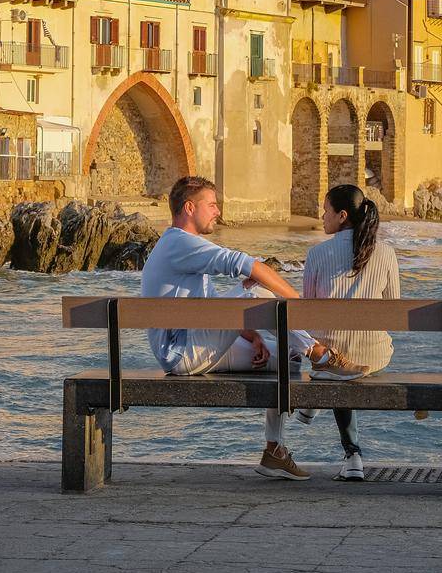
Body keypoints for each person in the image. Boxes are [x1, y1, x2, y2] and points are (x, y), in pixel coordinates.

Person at [141, 175, 359, 481]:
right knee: (255, 292)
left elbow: (215, 306)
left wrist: (254, 336)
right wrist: (299, 304)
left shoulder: (183, 246)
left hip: (196, 345)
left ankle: (274, 450)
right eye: (212, 204)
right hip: (183, 352)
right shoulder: (180, 242)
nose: (217, 211)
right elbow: (249, 266)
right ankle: (319, 353)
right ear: (190, 208)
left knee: (289, 359)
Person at [298, 183, 400, 481]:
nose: (322, 216)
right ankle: (321, 406)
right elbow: (393, 310)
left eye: (326, 210)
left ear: (342, 215)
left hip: (328, 358)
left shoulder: (317, 253)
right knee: (346, 361)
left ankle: (352, 454)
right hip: (376, 357)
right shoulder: (386, 253)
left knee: (335, 363)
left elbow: (308, 311)